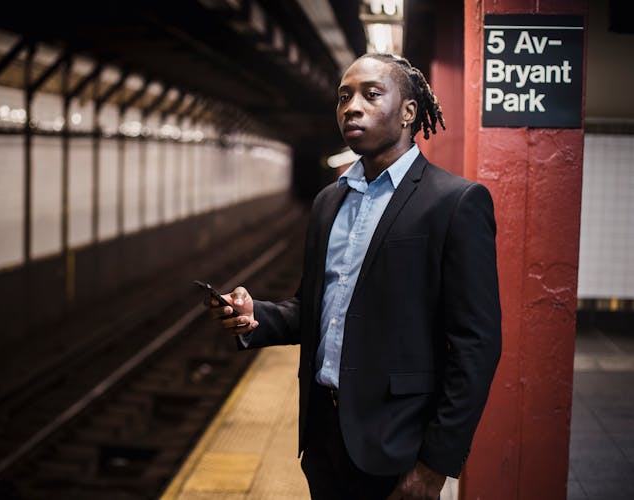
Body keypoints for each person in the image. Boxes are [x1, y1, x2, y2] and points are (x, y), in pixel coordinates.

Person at [208, 53, 501, 500]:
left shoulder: (455, 203)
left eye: (370, 94)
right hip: (324, 440)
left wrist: (436, 464)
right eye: (344, 96)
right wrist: (256, 318)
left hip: (397, 445)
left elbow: (476, 344)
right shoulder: (330, 201)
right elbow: (316, 308)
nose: (351, 106)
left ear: (408, 111)